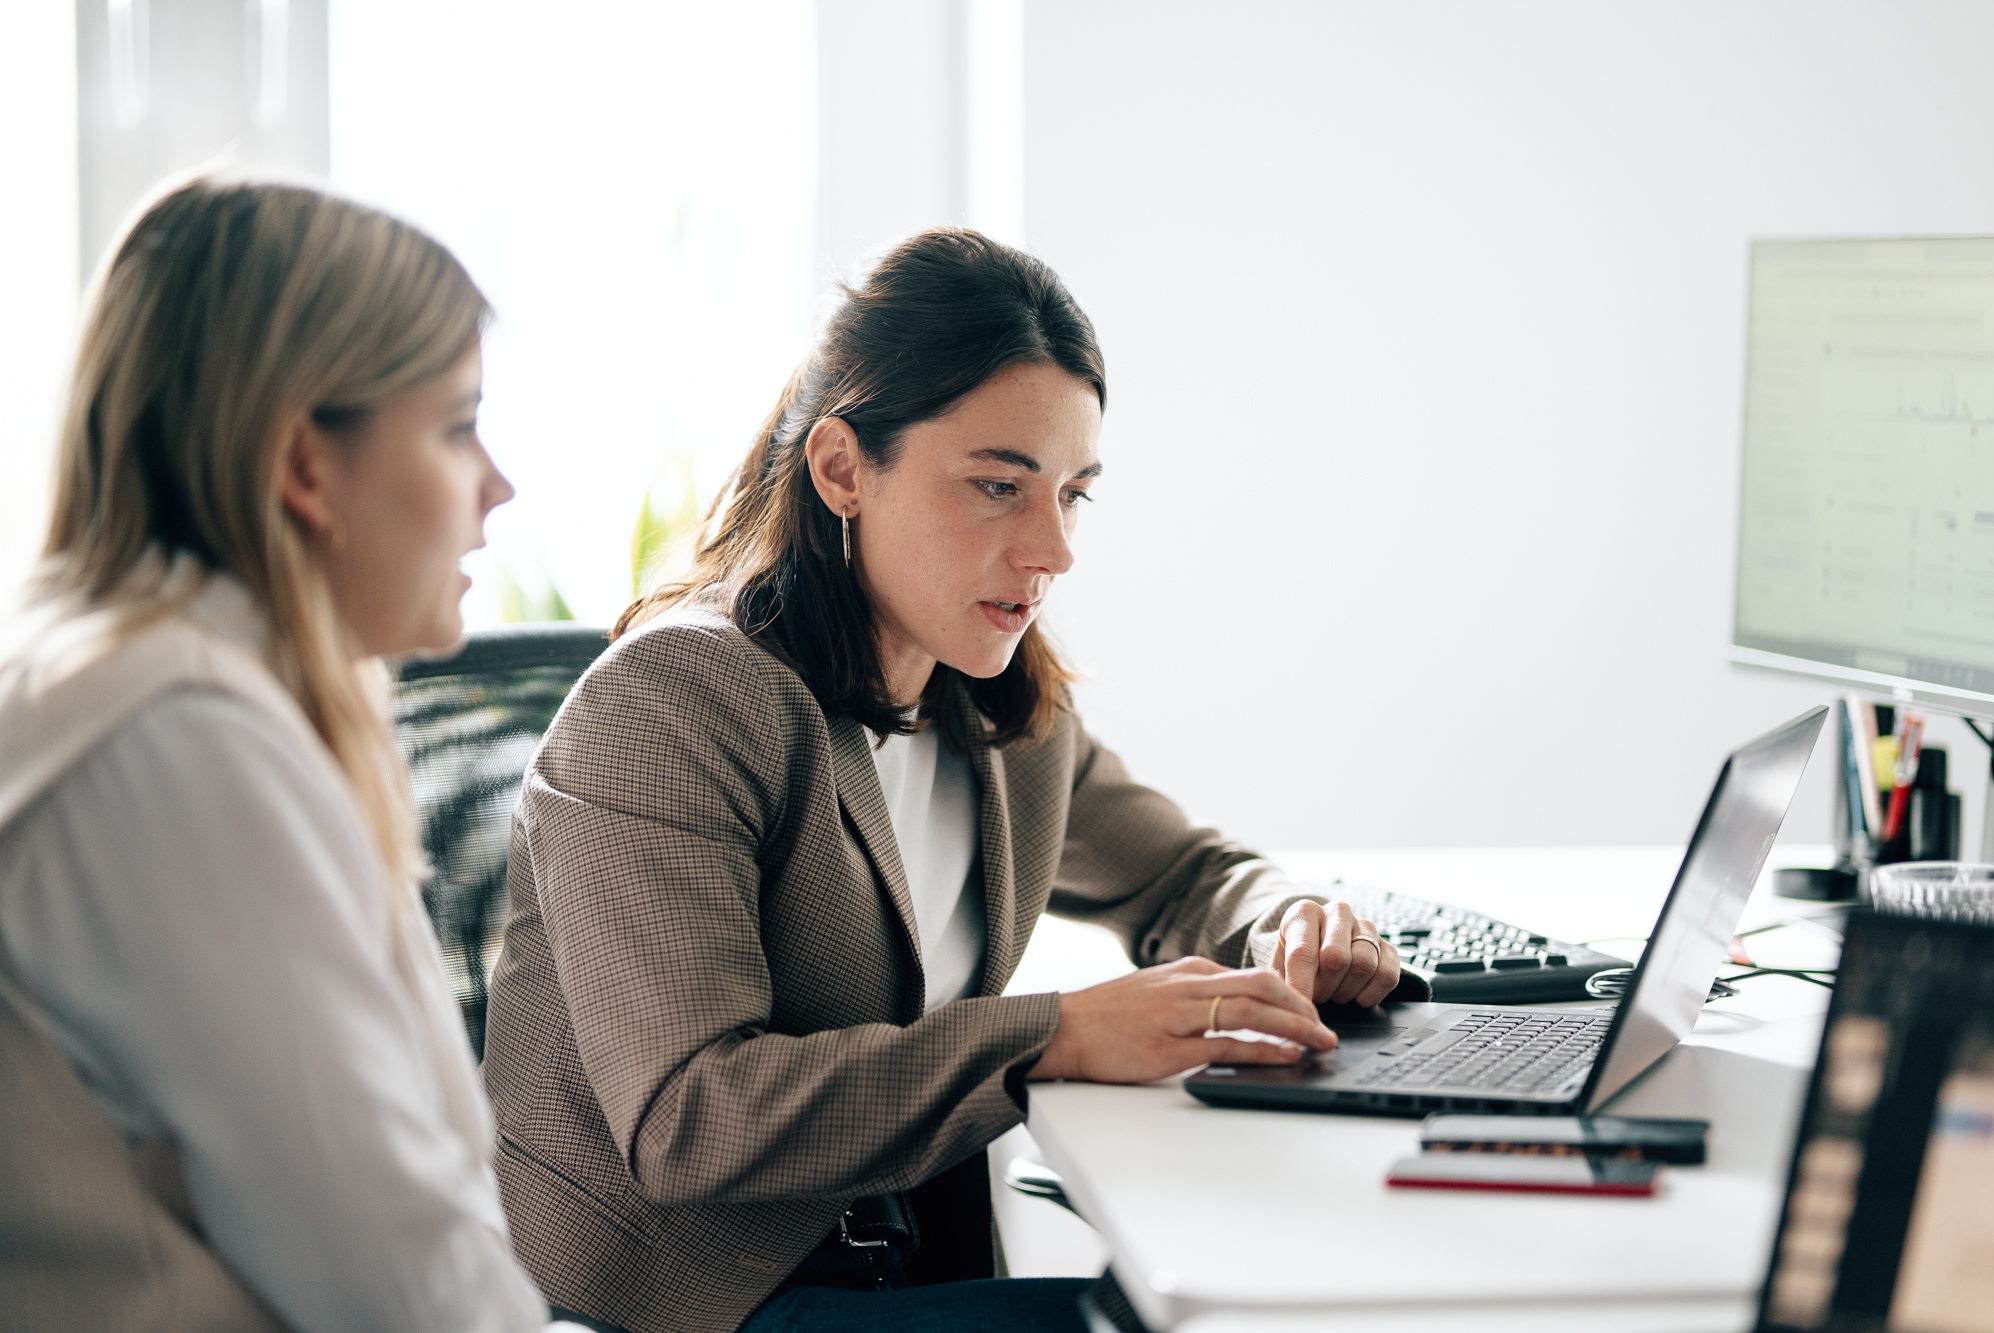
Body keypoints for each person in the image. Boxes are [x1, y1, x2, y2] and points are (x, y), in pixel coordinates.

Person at [481, 228, 1418, 1333]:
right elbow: (691, 1117)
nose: (1052, 548)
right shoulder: (676, 700)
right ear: (840, 470)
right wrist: (1054, 1034)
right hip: (696, 1298)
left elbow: (1183, 875)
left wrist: (1286, 922)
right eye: (995, 485)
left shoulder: (990, 698)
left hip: (894, 1251)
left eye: (1072, 493)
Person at [0, 177, 553, 1331]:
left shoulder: (112, 675)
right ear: (305, 467)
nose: (496, 487)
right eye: (457, 427)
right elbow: (393, 1281)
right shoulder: (180, 742)